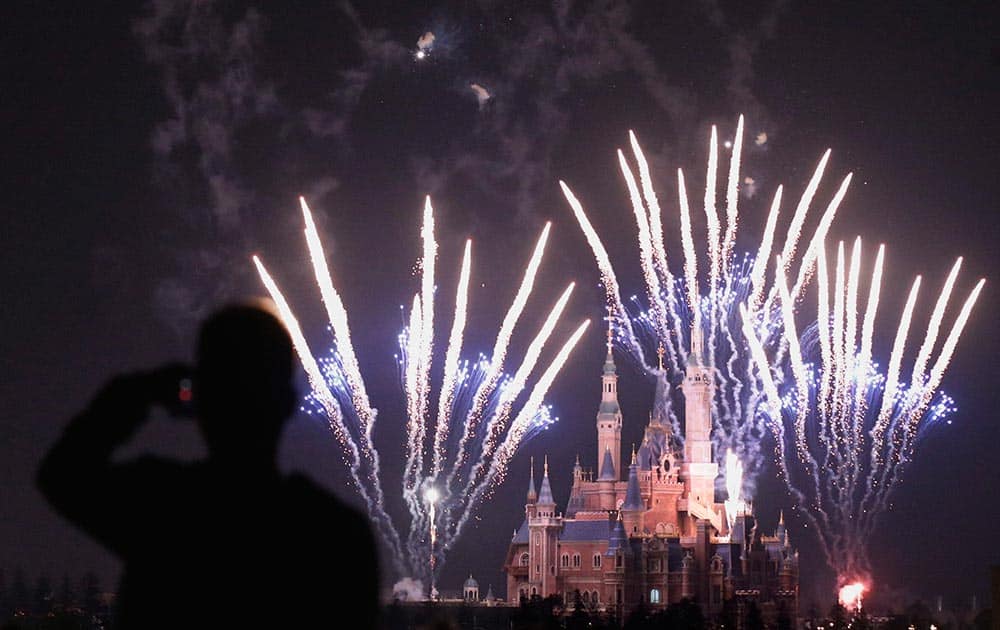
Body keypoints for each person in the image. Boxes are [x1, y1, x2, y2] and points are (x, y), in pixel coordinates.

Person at [38, 303, 379, 628]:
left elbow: (62, 474)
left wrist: (139, 391)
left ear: (199, 400)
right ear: (288, 403)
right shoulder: (335, 533)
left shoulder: (161, 505)